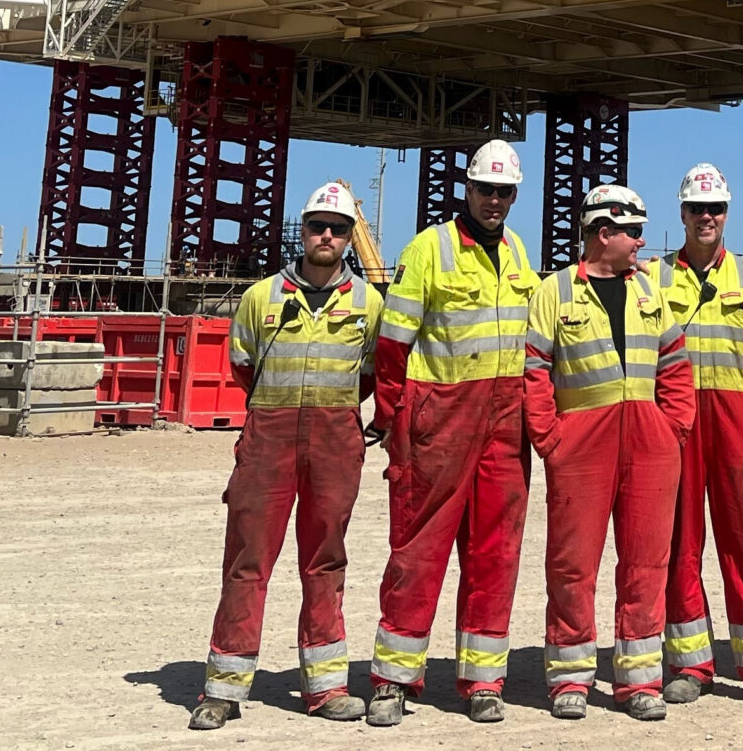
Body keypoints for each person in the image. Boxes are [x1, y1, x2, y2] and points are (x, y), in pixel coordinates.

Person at [192, 181, 385, 731]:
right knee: (247, 560)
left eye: (339, 229)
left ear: (349, 237)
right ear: (302, 231)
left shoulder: (369, 304)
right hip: (268, 438)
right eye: (317, 226)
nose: (327, 236)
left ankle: (326, 688)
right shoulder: (261, 298)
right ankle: (223, 689)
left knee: (325, 560)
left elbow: (372, 374)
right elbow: (243, 366)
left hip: (335, 439)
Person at [367, 139, 539, 726]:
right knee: (419, 547)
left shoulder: (517, 252)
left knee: (496, 551)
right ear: (467, 188)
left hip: (504, 421)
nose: (495, 201)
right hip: (440, 417)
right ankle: (393, 679)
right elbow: (393, 344)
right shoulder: (429, 248)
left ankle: (483, 679)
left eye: (505, 192)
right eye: (486, 189)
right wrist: (391, 417)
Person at [524, 185, 694, 721]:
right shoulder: (555, 292)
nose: (642, 241)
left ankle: (638, 682)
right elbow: (534, 371)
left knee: (647, 562)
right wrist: (551, 439)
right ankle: (570, 678)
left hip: (650, 442)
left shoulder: (649, 291)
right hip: (581, 445)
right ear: (604, 234)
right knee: (572, 564)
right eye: (633, 232)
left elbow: (675, 365)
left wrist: (673, 429)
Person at [655, 164, 743, 708]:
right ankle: (690, 665)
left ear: (727, 214)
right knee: (679, 545)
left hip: (740, 426)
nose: (706, 217)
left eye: (715, 209)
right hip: (680, 425)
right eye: (697, 208)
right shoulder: (656, 278)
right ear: (682, 213)